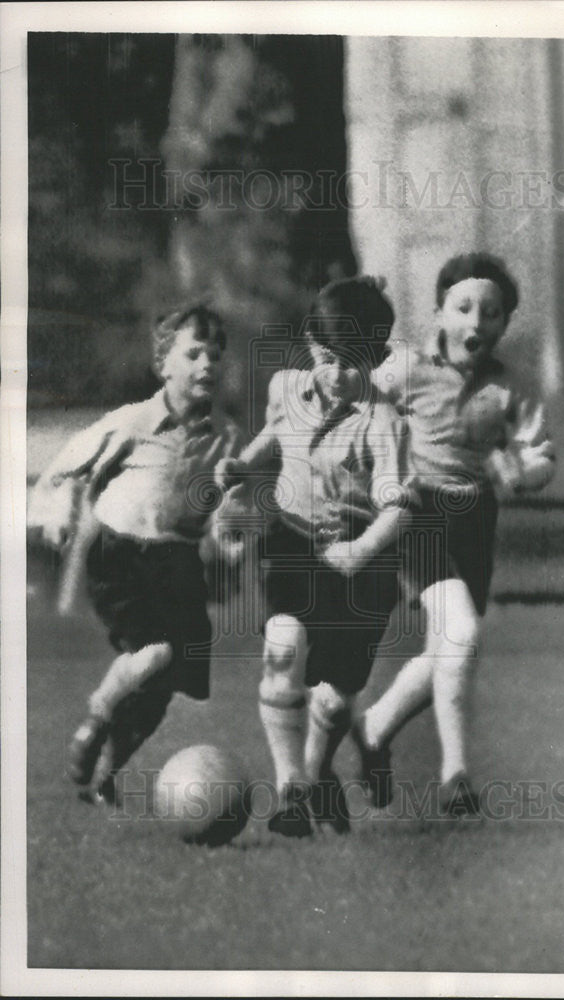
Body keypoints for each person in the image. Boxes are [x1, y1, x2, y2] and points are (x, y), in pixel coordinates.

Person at [354, 253, 556, 815]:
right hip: (415, 517)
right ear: (440, 313)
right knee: (462, 634)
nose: (476, 323)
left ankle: (373, 729)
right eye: (463, 307)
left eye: (490, 313)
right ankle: (456, 774)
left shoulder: (511, 385)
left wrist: (525, 472)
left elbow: (540, 456)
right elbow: (352, 409)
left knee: (449, 647)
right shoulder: (405, 369)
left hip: (475, 520)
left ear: (505, 323)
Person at [28, 304, 243, 804]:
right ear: (164, 363)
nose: (207, 364)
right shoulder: (133, 422)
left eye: (215, 354)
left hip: (180, 565)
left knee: (162, 687)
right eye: (193, 353)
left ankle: (104, 776)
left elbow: (232, 510)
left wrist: (233, 529)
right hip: (120, 556)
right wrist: (57, 511)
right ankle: (95, 716)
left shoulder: (228, 439)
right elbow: (63, 469)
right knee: (153, 652)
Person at [221, 276, 411, 836]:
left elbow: (397, 509)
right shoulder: (286, 388)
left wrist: (362, 547)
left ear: (377, 358)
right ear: (310, 345)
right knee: (283, 649)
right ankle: (292, 791)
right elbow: (272, 437)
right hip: (292, 545)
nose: (335, 375)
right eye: (327, 358)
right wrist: (240, 467)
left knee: (333, 702)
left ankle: (317, 771)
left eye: (352, 363)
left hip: (360, 567)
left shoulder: (383, 424)